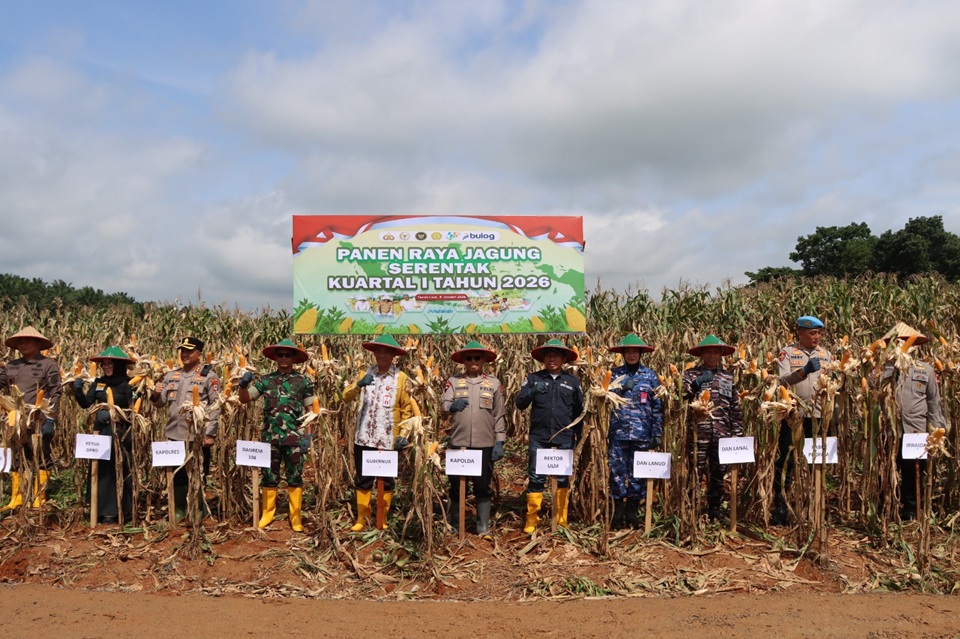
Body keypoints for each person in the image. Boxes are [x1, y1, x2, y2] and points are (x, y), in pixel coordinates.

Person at [238, 339, 316, 532]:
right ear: (275, 358)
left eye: (287, 355)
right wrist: (242, 386)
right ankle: (268, 514)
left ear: (294, 358)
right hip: (270, 437)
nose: (283, 358)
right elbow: (245, 399)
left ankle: (295, 517)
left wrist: (308, 436)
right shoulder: (266, 380)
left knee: (295, 477)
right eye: (280, 355)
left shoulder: (304, 381)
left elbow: (311, 410)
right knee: (269, 477)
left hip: (294, 438)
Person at [342, 334, 418, 531]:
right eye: (379, 351)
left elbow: (407, 409)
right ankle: (362, 517)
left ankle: (382, 518)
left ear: (393, 355)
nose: (382, 355)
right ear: (374, 353)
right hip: (364, 437)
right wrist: (358, 385)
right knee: (363, 478)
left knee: (386, 479)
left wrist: (404, 434)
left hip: (388, 439)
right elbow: (346, 397)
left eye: (387, 352)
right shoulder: (364, 373)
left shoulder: (401, 379)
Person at [876, 323, 947, 521]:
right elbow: (872, 392)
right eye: (897, 342)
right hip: (889, 431)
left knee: (913, 472)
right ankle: (886, 508)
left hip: (916, 431)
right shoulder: (883, 368)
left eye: (906, 342)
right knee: (887, 471)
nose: (901, 345)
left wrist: (937, 429)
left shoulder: (925, 369)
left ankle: (910, 512)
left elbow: (933, 401)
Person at [515, 338, 584, 533]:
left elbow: (579, 411)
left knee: (562, 477)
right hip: (540, 436)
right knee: (536, 477)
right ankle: (532, 520)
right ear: (543, 359)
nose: (552, 359)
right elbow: (519, 404)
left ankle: (561, 518)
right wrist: (532, 392)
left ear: (563, 359)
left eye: (556, 355)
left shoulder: (572, 382)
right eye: (548, 355)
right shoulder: (533, 379)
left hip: (564, 437)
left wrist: (577, 436)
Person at [150, 336, 221, 520]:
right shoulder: (171, 376)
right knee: (178, 475)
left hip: (197, 436)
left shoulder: (209, 377)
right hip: (174, 434)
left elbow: (216, 406)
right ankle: (180, 509)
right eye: (183, 351)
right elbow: (160, 404)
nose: (185, 354)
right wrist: (155, 393)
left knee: (198, 473)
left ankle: (197, 508)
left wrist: (211, 434)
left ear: (199, 354)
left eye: (189, 351)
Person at [440, 340, 506, 535]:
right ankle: (456, 522)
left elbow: (499, 414)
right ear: (463, 361)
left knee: (482, 485)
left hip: (484, 443)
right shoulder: (453, 381)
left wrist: (500, 441)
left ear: (484, 360)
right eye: (469, 358)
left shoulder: (493, 383)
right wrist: (451, 406)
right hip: (458, 443)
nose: (473, 361)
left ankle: (482, 524)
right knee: (456, 484)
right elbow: (444, 405)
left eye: (477, 357)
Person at [773, 315, 833, 525]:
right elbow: (783, 380)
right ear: (801, 333)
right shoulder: (788, 352)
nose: (817, 337)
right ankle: (781, 507)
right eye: (812, 333)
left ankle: (813, 507)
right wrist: (804, 371)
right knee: (787, 460)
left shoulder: (826, 355)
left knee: (815, 462)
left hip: (817, 416)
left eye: (819, 333)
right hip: (792, 414)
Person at [682, 335, 744, 521]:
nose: (711, 355)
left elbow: (734, 406)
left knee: (718, 473)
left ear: (720, 354)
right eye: (707, 352)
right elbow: (682, 397)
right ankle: (691, 509)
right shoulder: (690, 374)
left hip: (722, 432)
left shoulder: (727, 376)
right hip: (697, 433)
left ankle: (714, 510)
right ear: (701, 354)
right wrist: (698, 383)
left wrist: (738, 432)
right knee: (695, 471)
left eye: (715, 352)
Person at [0, 326, 61, 511]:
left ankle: (39, 497)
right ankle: (17, 498)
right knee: (17, 455)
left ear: (38, 343)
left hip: (39, 417)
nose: (23, 344)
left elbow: (56, 392)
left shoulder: (48, 365)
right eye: (20, 341)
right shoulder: (11, 366)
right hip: (16, 418)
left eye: (28, 341)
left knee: (41, 454)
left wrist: (50, 418)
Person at [73, 346, 135, 524]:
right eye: (104, 364)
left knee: (120, 466)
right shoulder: (99, 383)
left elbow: (134, 406)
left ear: (118, 365)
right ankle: (101, 509)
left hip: (121, 431)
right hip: (101, 430)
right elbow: (86, 403)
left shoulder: (128, 383)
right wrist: (78, 391)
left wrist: (115, 414)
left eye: (110, 363)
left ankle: (122, 510)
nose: (106, 367)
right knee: (102, 469)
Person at [607, 334, 663, 529]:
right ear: (623, 354)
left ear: (640, 354)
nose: (631, 355)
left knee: (638, 472)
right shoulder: (614, 375)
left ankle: (632, 511)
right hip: (618, 432)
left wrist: (656, 432)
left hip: (642, 433)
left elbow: (657, 405)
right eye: (628, 351)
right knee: (616, 471)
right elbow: (604, 401)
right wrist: (620, 390)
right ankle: (618, 511)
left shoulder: (650, 376)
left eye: (635, 351)